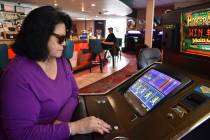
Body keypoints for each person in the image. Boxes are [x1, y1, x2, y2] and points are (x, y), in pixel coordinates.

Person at [0, 6, 111, 140]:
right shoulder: (16, 76)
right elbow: (19, 135)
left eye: (66, 38)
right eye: (60, 38)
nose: (65, 43)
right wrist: (73, 127)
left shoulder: (60, 61)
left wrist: (61, 122)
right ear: (40, 36)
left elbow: (74, 93)